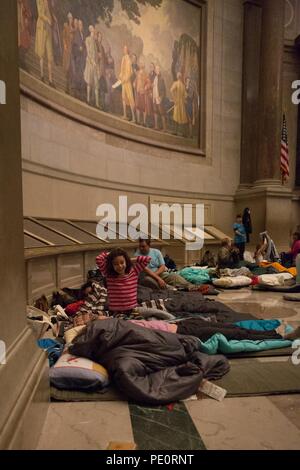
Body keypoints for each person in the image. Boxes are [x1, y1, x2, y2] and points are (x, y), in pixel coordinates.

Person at [128, 317, 300, 343]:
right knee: (237, 334)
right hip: (186, 334)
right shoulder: (123, 333)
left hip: (185, 324)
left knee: (232, 326)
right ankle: (281, 336)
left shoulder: (121, 323)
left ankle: (276, 330)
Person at [96, 248, 150, 315]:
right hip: (115, 313)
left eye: (122, 262)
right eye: (116, 264)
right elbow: (98, 259)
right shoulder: (109, 275)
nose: (120, 266)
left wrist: (129, 260)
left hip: (132, 311)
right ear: (111, 265)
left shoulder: (134, 272)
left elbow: (147, 259)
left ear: (126, 262)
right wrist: (112, 253)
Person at [35, 0, 54, 86]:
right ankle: (42, 75)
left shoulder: (49, 2)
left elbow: (49, 13)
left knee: (50, 56)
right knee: (41, 52)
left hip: (48, 30)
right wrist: (48, 19)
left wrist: (51, 20)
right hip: (42, 28)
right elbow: (40, 14)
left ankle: (50, 80)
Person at [119, 45, 136, 123]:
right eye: (123, 48)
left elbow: (130, 73)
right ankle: (125, 115)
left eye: (125, 49)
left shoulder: (128, 59)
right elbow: (122, 70)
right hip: (123, 81)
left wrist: (126, 78)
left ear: (127, 50)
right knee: (123, 98)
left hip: (127, 82)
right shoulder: (123, 58)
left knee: (130, 98)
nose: (124, 50)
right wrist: (121, 75)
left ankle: (134, 118)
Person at [153, 65, 167, 131]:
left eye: (158, 69)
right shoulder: (155, 78)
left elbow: (163, 90)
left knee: (162, 113)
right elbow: (154, 88)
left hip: (159, 98)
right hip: (155, 97)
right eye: (156, 69)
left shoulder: (161, 79)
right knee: (155, 111)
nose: (157, 70)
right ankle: (156, 126)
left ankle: (164, 128)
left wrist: (161, 97)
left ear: (159, 70)